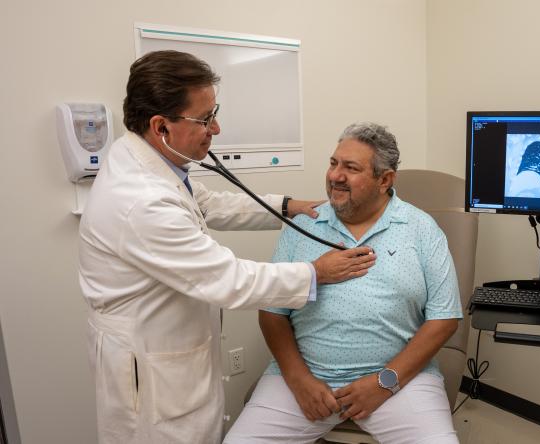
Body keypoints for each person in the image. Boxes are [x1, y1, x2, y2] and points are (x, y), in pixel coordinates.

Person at [78, 50, 375, 444]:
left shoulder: (145, 158)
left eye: (213, 112)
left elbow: (207, 203)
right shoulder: (141, 202)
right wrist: (316, 273)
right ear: (160, 125)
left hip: (163, 346)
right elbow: (229, 279)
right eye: (204, 119)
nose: (215, 128)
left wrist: (288, 206)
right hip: (149, 371)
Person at [224, 122, 462, 444]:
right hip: (303, 379)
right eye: (334, 163)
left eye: (350, 168)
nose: (335, 175)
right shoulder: (304, 225)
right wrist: (299, 381)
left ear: (385, 180)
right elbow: (272, 312)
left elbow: (444, 317)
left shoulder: (421, 228)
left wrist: (383, 382)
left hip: (398, 379)